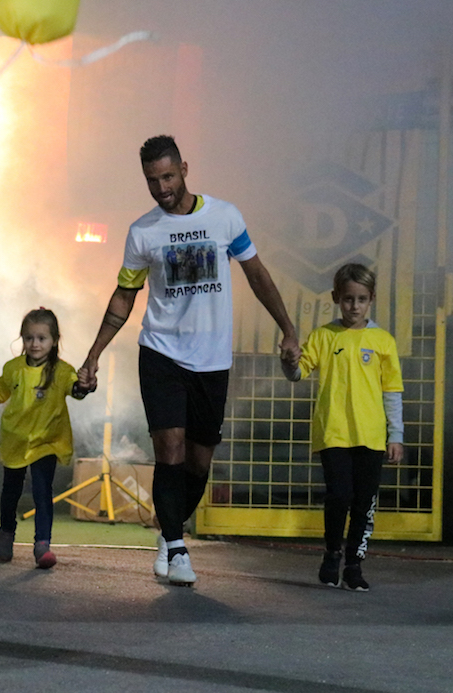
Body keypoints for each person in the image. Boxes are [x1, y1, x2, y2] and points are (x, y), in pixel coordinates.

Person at [77, 135, 300, 587]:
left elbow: (257, 274)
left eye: (167, 176)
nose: (161, 188)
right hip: (161, 352)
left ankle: (169, 531)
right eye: (151, 180)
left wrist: (288, 328)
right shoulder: (143, 232)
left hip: (212, 360)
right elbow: (124, 296)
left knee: (198, 461)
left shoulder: (225, 216)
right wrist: (93, 355)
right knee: (170, 449)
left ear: (184, 169)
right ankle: (178, 548)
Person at [281, 263, 405, 592]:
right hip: (334, 432)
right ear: (336, 297)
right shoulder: (323, 336)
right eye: (348, 299)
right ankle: (332, 553)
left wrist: (396, 435)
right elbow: (298, 372)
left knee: (364, 502)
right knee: (339, 496)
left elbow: (392, 391)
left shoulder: (383, 341)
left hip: (371, 436)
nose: (354, 306)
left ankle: (354, 565)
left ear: (371, 299)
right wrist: (289, 361)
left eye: (361, 299)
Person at [0, 308, 90, 569]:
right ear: (22, 339)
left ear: (54, 340)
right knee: (10, 493)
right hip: (16, 440)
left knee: (42, 492)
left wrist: (86, 384)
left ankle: (42, 545)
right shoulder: (13, 369)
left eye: (41, 338)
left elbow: (77, 391)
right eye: (29, 338)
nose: (35, 344)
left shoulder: (62, 371)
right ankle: (6, 534)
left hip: (47, 442)